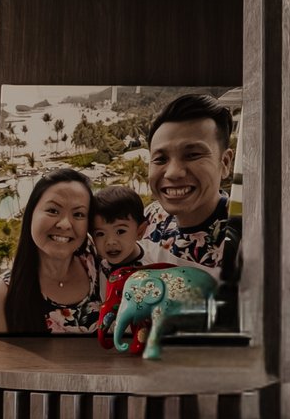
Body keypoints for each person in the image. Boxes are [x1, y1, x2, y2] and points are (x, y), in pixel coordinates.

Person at [138, 93, 238, 302]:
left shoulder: (247, 242)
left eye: (193, 155)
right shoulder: (149, 218)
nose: (173, 173)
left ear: (225, 163)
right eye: (160, 159)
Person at [0, 167, 102, 337]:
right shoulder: (3, 294)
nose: (65, 224)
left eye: (79, 214)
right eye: (53, 210)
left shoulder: (98, 265)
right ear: (30, 215)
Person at [91, 184, 149, 331]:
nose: (110, 241)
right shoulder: (95, 269)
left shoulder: (155, 264)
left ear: (140, 231)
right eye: (100, 234)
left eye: (120, 231)